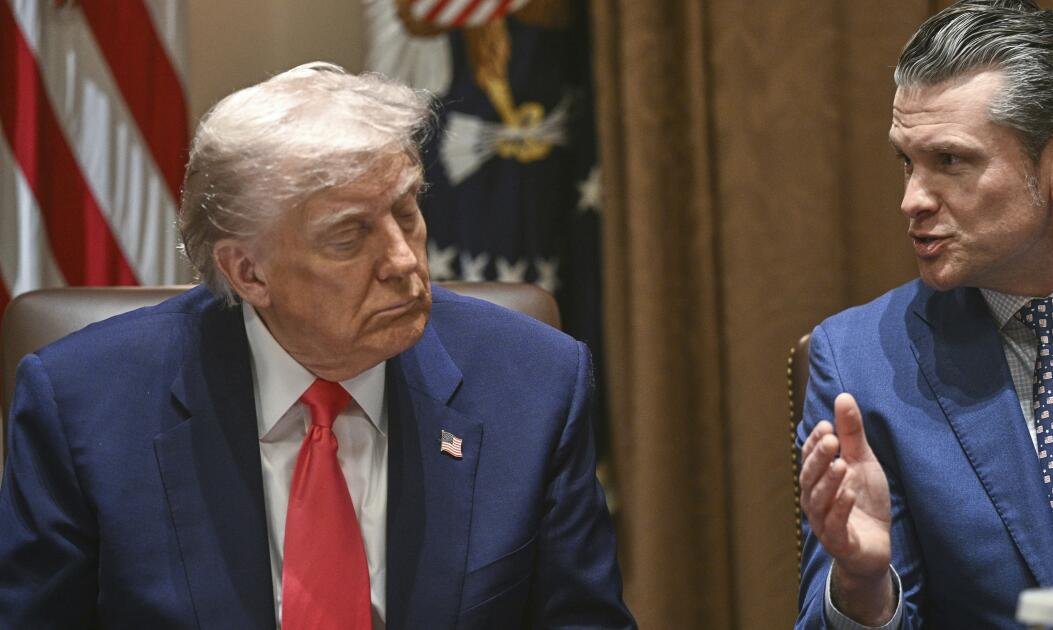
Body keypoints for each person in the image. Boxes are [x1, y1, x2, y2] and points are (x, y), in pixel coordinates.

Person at [0, 62, 635, 629]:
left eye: (406, 212)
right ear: (249, 272)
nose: (403, 260)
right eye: (348, 237)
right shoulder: (84, 407)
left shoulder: (534, 384)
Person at [795, 1, 1053, 628]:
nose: (912, 200)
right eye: (907, 161)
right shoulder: (861, 362)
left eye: (950, 161)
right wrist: (864, 584)